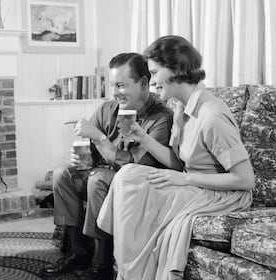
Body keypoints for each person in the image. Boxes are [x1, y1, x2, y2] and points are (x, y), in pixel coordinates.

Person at [97, 35, 255, 280]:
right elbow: (178, 163)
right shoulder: (182, 108)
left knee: (135, 190)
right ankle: (131, 270)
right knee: (128, 175)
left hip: (222, 194)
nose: (152, 82)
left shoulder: (211, 115)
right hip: (194, 183)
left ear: (175, 69)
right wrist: (144, 138)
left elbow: (245, 180)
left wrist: (186, 180)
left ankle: (129, 274)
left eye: (155, 72)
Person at [41, 53, 173, 280]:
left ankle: (101, 263)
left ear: (143, 83)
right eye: (112, 85)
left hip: (138, 183)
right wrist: (79, 155)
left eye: (121, 85)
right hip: (104, 177)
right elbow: (87, 148)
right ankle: (78, 251)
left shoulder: (161, 118)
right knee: (62, 174)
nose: (115, 92)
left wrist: (100, 139)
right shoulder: (107, 109)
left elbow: (134, 166)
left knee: (98, 179)